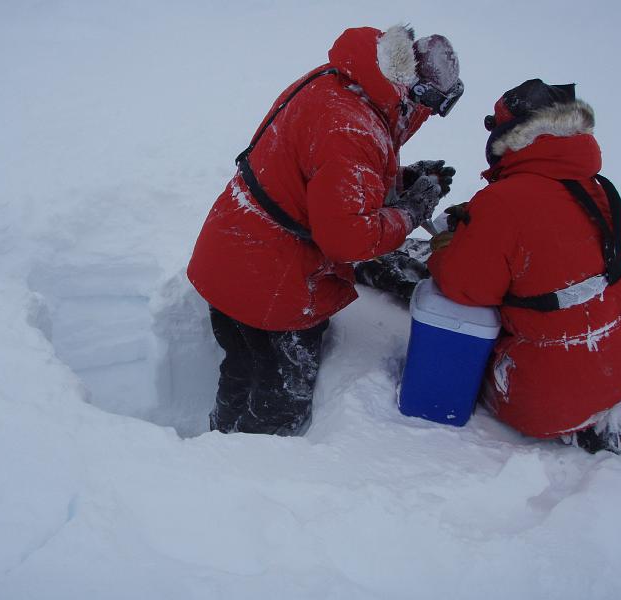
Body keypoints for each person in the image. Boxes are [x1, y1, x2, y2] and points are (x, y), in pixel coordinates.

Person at [188, 25, 463, 435]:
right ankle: (241, 473)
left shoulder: (347, 79)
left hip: (230, 252)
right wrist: (410, 209)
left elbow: (322, 176)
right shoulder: (353, 127)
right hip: (273, 286)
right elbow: (348, 239)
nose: (427, 116)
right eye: (430, 104)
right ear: (410, 89)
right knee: (280, 397)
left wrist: (399, 181)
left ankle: (215, 441)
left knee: (243, 363)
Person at [427, 79, 621, 471]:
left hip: (545, 391)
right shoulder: (598, 187)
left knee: (450, 303)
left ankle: (592, 429)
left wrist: (447, 249)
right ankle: (618, 405)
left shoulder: (502, 202)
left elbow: (465, 286)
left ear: (510, 137)